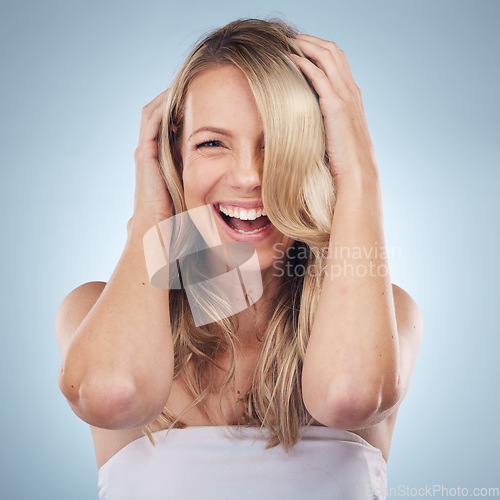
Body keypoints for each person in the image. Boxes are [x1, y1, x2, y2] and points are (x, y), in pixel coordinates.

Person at [55, 18, 422, 499]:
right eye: (211, 143)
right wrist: (151, 213)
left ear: (323, 160)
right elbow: (110, 393)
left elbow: (347, 397)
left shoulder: (387, 316)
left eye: (281, 146)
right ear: (174, 158)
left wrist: (360, 172)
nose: (249, 177)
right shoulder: (92, 311)